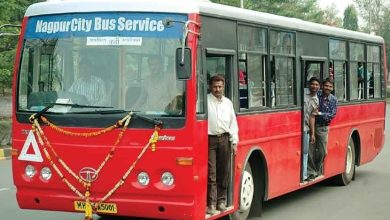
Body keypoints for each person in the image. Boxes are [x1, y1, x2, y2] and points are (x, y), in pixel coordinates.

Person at [206, 75, 239, 215]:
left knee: (223, 172)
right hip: (209, 140)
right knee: (211, 173)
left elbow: (233, 124)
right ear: (210, 87)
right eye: (215, 87)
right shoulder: (204, 101)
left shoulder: (228, 103)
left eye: (220, 86)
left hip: (225, 139)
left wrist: (234, 141)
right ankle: (211, 204)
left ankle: (221, 201)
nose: (217, 89)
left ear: (223, 87)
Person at [312, 79, 337, 177]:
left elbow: (332, 114)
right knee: (310, 151)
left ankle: (317, 169)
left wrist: (319, 113)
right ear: (322, 86)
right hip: (312, 126)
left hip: (323, 128)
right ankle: (311, 172)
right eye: (326, 86)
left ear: (332, 88)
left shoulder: (333, 99)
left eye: (330, 87)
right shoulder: (317, 95)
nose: (328, 88)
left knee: (323, 152)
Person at [303, 77, 320, 181]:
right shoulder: (303, 94)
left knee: (305, 152)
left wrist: (312, 133)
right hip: (296, 126)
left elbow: (312, 117)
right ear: (309, 85)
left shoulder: (316, 100)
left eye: (316, 85)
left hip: (305, 128)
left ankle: (304, 175)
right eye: (312, 84)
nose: (314, 86)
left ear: (319, 87)